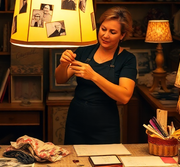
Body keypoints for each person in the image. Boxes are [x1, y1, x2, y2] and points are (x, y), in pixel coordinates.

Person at [55, 7, 136, 144]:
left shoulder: (127, 59)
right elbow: (60, 79)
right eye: (103, 29)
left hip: (105, 126)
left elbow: (125, 96)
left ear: (122, 35)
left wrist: (93, 76)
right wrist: (63, 65)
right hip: (76, 121)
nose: (105, 35)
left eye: (113, 32)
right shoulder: (84, 51)